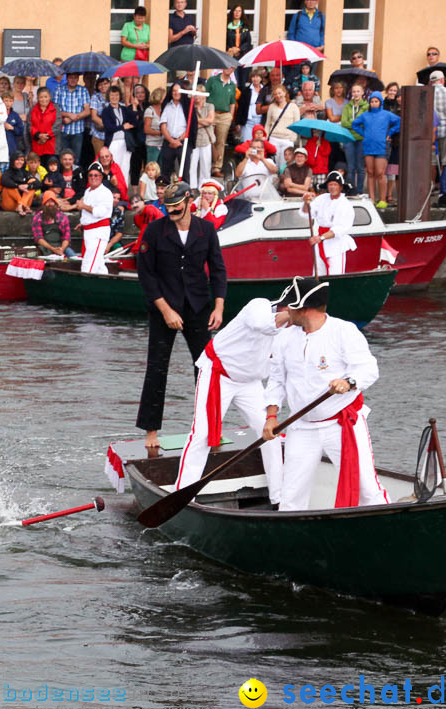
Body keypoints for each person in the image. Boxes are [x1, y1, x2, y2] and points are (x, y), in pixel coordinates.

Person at [263, 276, 388, 512]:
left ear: (305, 309)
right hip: (302, 425)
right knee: (290, 498)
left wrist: (349, 382)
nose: (286, 311)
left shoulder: (344, 331)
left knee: (366, 489)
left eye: (291, 306)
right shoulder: (284, 339)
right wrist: (271, 416)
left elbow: (369, 369)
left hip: (341, 425)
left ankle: (389, 527)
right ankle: (294, 541)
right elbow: (277, 380)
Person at [136, 180, 227, 447]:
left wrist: (219, 306)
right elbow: (146, 275)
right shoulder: (154, 231)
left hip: (198, 307)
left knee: (206, 369)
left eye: (177, 207)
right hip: (164, 306)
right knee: (157, 368)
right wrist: (165, 309)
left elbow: (218, 270)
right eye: (168, 208)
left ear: (190, 201)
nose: (172, 212)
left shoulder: (207, 229)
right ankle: (151, 432)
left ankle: (210, 426)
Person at [173, 297, 288, 505]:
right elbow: (262, 324)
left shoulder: (291, 329)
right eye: (294, 312)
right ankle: (182, 495)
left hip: (251, 382)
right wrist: (294, 315)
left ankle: (279, 498)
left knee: (271, 434)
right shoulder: (258, 306)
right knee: (202, 434)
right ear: (284, 307)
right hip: (219, 374)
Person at [301, 171, 357, 275]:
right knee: (318, 275)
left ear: (340, 187)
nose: (332, 187)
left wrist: (321, 237)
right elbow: (307, 212)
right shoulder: (322, 199)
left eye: (335, 184)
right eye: (330, 184)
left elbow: (341, 228)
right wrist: (306, 202)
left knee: (335, 275)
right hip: (320, 243)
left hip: (336, 244)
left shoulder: (345, 204)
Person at [352, 91, 401, 207]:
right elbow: (354, 124)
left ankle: (383, 199)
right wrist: (364, 133)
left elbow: (399, 122)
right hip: (368, 146)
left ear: (380, 102)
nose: (374, 103)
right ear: (369, 103)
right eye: (372, 101)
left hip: (382, 147)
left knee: (380, 173)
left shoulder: (386, 114)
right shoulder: (365, 115)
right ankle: (372, 199)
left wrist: (390, 132)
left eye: (376, 101)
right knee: (370, 173)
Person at [72, 162, 117, 274]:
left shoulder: (105, 193)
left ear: (101, 176)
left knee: (88, 266)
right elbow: (87, 214)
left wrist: (83, 206)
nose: (93, 178)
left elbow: (100, 212)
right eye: (91, 175)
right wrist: (83, 223)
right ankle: (106, 286)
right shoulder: (87, 191)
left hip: (98, 233)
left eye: (96, 175)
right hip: (89, 232)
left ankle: (86, 289)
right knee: (98, 265)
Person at [205, 68, 237, 179]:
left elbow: (232, 102)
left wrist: (230, 117)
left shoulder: (232, 85)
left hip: (224, 115)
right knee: (208, 139)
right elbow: (204, 96)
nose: (229, 69)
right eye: (227, 66)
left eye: (231, 67)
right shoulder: (212, 80)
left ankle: (216, 168)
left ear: (233, 69)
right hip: (211, 113)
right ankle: (205, 166)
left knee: (221, 142)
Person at [340, 84, 369, 194]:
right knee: (351, 167)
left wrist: (352, 123)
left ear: (362, 92)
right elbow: (343, 123)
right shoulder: (347, 107)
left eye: (358, 91)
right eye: (354, 91)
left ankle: (360, 191)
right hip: (349, 138)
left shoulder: (366, 107)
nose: (356, 94)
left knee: (360, 167)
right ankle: (351, 191)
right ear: (351, 93)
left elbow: (365, 123)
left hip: (361, 138)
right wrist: (356, 123)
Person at [53, 73, 89, 162]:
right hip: (62, 131)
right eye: (71, 77)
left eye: (75, 77)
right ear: (67, 78)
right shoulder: (59, 89)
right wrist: (68, 115)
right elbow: (54, 111)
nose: (73, 80)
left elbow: (87, 111)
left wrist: (73, 118)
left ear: (78, 79)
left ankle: (75, 176)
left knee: (76, 159)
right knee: (62, 158)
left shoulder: (83, 90)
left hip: (78, 132)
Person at [32, 193, 76, 257]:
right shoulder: (37, 218)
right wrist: (52, 249)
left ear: (56, 204)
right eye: (47, 202)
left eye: (52, 202)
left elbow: (66, 237)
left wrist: (62, 249)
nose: (50, 204)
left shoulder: (63, 217)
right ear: (43, 204)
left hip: (60, 246)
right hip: (44, 247)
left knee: (74, 257)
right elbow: (38, 238)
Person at [265, 84, 300, 161]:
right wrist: (266, 137)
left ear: (284, 93)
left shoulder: (293, 107)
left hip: (287, 139)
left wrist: (293, 138)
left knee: (285, 165)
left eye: (279, 93)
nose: (278, 95)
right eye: (275, 94)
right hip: (274, 139)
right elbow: (267, 124)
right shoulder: (272, 107)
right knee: (274, 164)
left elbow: (296, 124)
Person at [29, 87, 58, 166]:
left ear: (50, 97)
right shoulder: (33, 110)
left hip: (51, 145)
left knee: (51, 167)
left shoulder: (55, 109)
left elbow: (57, 125)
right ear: (37, 98)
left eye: (46, 97)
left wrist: (46, 136)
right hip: (37, 144)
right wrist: (38, 135)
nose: (43, 99)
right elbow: (29, 125)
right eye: (41, 97)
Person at [191, 97, 216, 187]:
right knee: (192, 166)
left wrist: (195, 120)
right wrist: (204, 121)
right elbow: (190, 124)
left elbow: (210, 121)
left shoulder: (209, 106)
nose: (197, 97)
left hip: (206, 139)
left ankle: (204, 187)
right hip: (194, 139)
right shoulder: (191, 107)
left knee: (206, 166)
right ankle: (192, 188)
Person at [225, 5, 252, 69]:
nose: (237, 13)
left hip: (243, 56)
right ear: (232, 12)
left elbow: (248, 42)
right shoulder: (227, 25)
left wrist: (239, 49)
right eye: (235, 11)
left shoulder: (245, 26)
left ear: (242, 13)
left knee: (243, 78)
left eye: (239, 11)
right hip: (231, 55)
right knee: (234, 76)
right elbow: (224, 39)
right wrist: (230, 49)